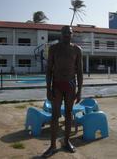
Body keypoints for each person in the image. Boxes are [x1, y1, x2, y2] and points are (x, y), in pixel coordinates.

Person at [42, 26, 83, 157]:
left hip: (71, 85)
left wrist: (80, 90)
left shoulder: (77, 50)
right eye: (64, 32)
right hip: (57, 85)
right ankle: (53, 145)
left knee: (69, 114)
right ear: (61, 34)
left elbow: (80, 71)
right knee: (55, 115)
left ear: (72, 34)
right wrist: (48, 89)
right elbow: (49, 70)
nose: (67, 35)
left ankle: (66, 142)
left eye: (69, 33)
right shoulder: (54, 49)